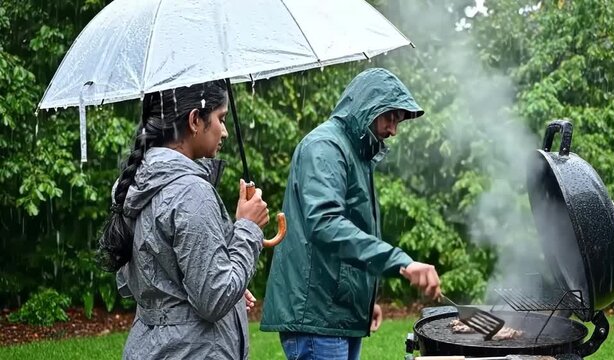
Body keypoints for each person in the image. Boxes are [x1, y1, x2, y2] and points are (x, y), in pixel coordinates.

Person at [260, 68, 442, 360]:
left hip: (337, 312)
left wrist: (363, 300)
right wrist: (401, 262)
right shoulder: (325, 147)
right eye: (390, 117)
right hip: (317, 317)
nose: (394, 130)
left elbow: (351, 234)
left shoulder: (355, 151)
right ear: (368, 108)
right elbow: (326, 225)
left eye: (398, 121)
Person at [97, 80, 269, 360]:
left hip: (150, 347)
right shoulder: (191, 192)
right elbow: (214, 300)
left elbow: (139, 281)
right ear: (194, 120)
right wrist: (248, 228)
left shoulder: (136, 182)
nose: (224, 131)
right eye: (220, 119)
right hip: (194, 350)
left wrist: (223, 270)